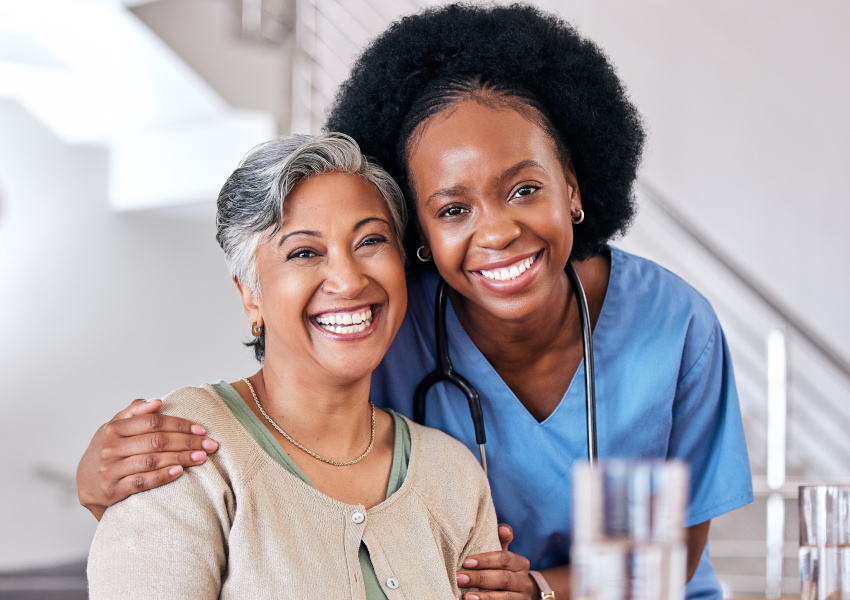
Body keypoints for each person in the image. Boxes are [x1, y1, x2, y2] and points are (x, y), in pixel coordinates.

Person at [77, 5, 753, 599]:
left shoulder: (674, 325)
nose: (497, 231)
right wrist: (103, 480)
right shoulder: (386, 328)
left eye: (525, 189)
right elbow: (277, 406)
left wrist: (542, 588)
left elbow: (677, 555)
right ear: (420, 234)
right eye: (453, 208)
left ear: (573, 188)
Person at [86, 133, 500, 599]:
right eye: (304, 252)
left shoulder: (452, 474)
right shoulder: (182, 449)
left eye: (371, 241)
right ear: (250, 293)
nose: (348, 280)